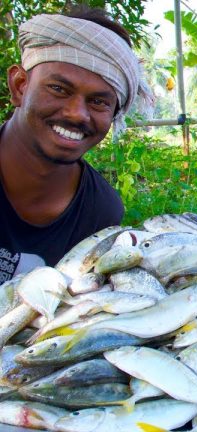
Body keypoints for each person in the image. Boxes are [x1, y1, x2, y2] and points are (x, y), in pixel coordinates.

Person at [0, 7, 152, 283]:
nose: (76, 114)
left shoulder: (100, 212)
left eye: (98, 102)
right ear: (20, 85)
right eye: (59, 89)